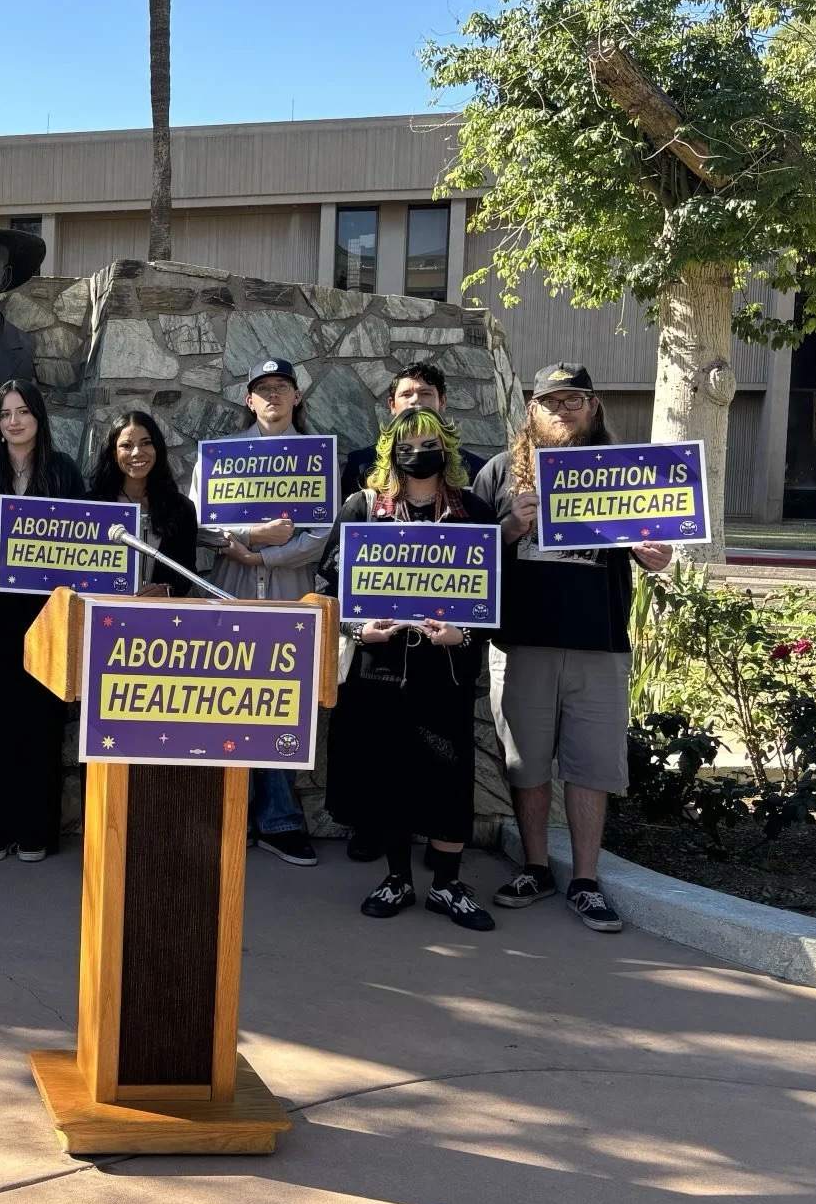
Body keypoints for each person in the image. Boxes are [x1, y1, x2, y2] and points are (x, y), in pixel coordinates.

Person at [472, 363, 672, 933]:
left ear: (594, 407)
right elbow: (467, 562)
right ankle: (535, 867)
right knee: (525, 762)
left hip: (599, 641)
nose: (563, 410)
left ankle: (585, 880)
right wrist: (510, 528)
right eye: (551, 401)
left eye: (575, 400)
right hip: (522, 642)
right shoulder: (497, 473)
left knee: (592, 766)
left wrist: (654, 555)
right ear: (532, 410)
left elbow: (657, 547)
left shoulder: (625, 472)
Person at [327, 409, 499, 931]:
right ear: (390, 450)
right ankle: (397, 878)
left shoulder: (472, 511)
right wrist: (361, 632)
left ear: (446, 447)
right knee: (390, 776)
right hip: (382, 670)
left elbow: (494, 596)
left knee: (449, 778)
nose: (418, 451)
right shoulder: (363, 509)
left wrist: (463, 635)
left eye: (430, 442)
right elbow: (331, 581)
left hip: (444, 671)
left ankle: (447, 885)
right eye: (407, 443)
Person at [196, 357, 329, 866]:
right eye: (262, 389)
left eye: (282, 387)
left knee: (281, 706)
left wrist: (265, 555)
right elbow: (202, 525)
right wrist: (250, 537)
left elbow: (322, 535)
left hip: (288, 598)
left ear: (297, 397)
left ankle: (279, 820)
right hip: (230, 592)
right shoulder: (223, 455)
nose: (272, 396)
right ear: (248, 400)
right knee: (229, 702)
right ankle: (232, 815)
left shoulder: (316, 456)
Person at [0, 378, 85, 862]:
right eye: (5, 413)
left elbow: (81, 546)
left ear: (38, 417)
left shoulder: (64, 472)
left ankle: (35, 831)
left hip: (47, 618)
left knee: (39, 725)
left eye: (22, 411)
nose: (13, 421)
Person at [337, 360, 490, 505]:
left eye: (425, 393)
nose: (415, 400)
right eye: (406, 394)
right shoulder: (361, 465)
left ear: (442, 402)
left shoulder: (477, 469)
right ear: (392, 405)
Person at [89, 409, 199, 596]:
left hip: (158, 619)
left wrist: (166, 591)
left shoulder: (182, 508)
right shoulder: (91, 507)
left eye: (146, 443)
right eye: (126, 445)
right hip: (103, 616)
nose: (137, 452)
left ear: (157, 449)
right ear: (114, 454)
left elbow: (187, 574)